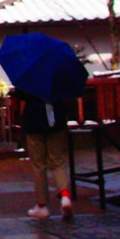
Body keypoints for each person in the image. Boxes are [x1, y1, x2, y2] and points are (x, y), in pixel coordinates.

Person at [17, 91, 73, 220]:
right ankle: (64, 196)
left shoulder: (30, 74)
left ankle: (42, 205)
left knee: (38, 164)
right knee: (57, 161)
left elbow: (20, 94)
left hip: (34, 120)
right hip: (56, 120)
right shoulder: (57, 73)